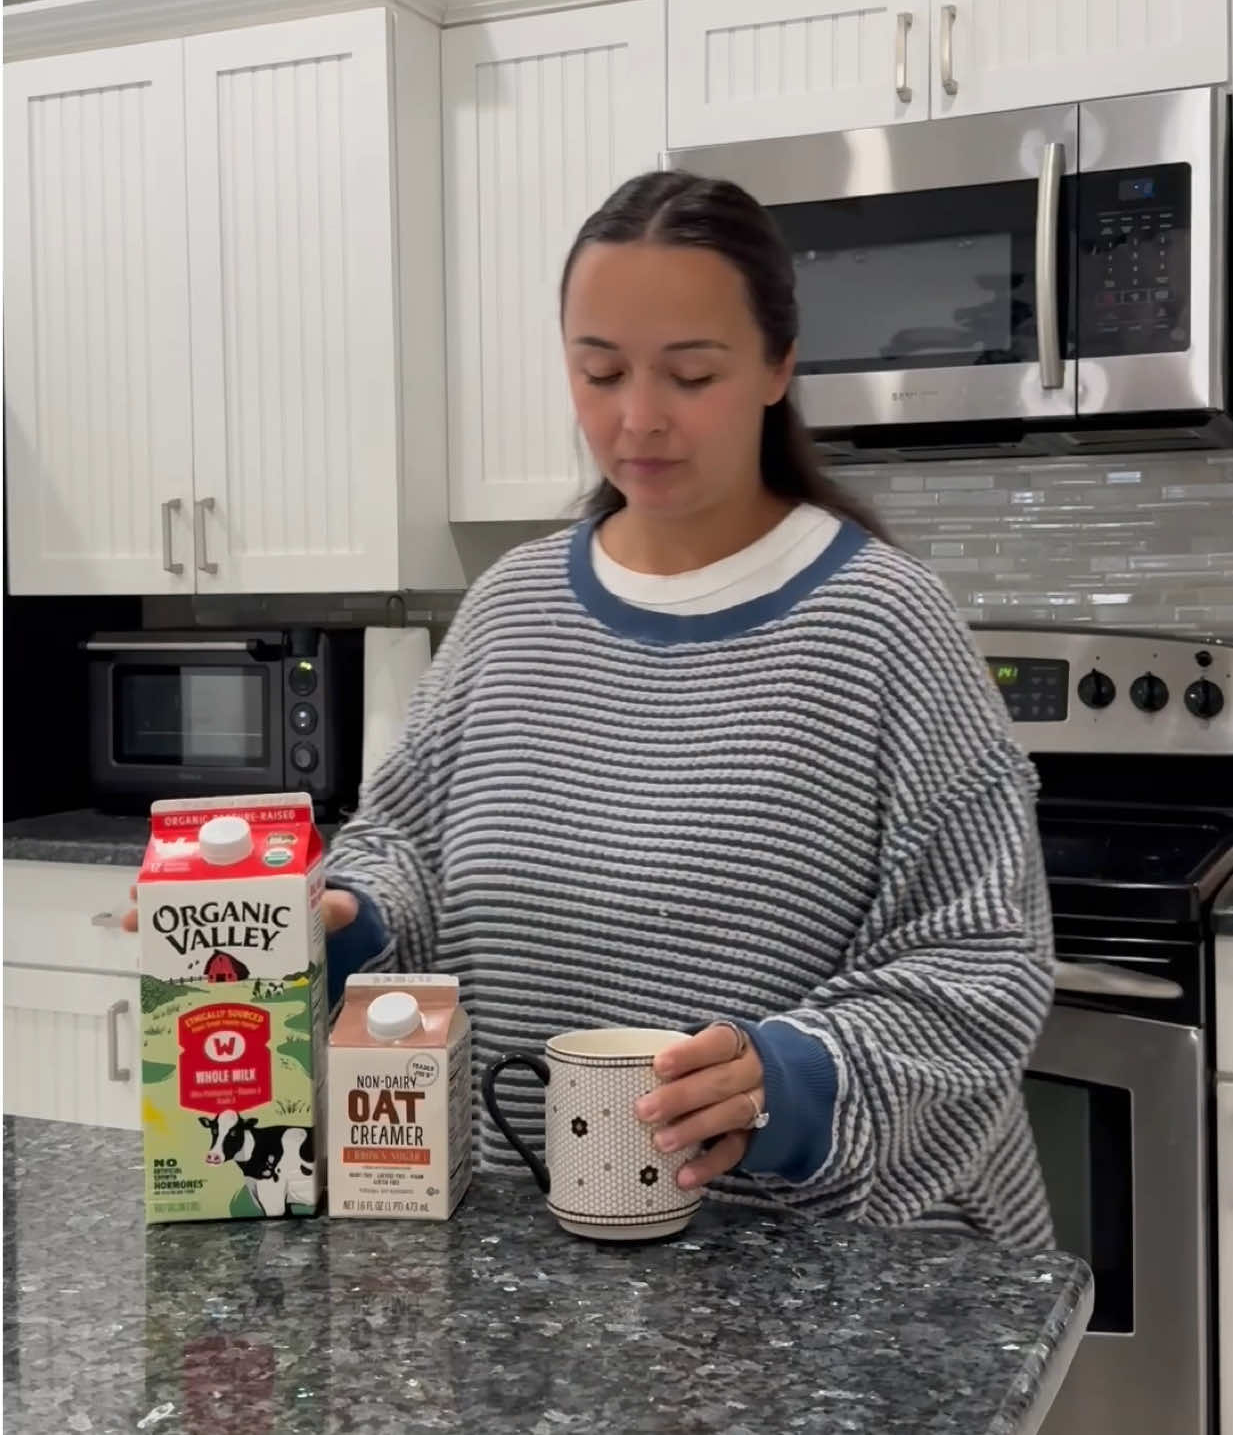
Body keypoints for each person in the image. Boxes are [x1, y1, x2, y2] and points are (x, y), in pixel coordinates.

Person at [130, 169, 1055, 1243]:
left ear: (778, 367)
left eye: (691, 374)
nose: (638, 418)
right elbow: (405, 853)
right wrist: (329, 923)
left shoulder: (886, 623)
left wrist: (793, 1079)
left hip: (809, 1271)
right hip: (540, 1251)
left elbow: (983, 956)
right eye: (599, 371)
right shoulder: (511, 606)